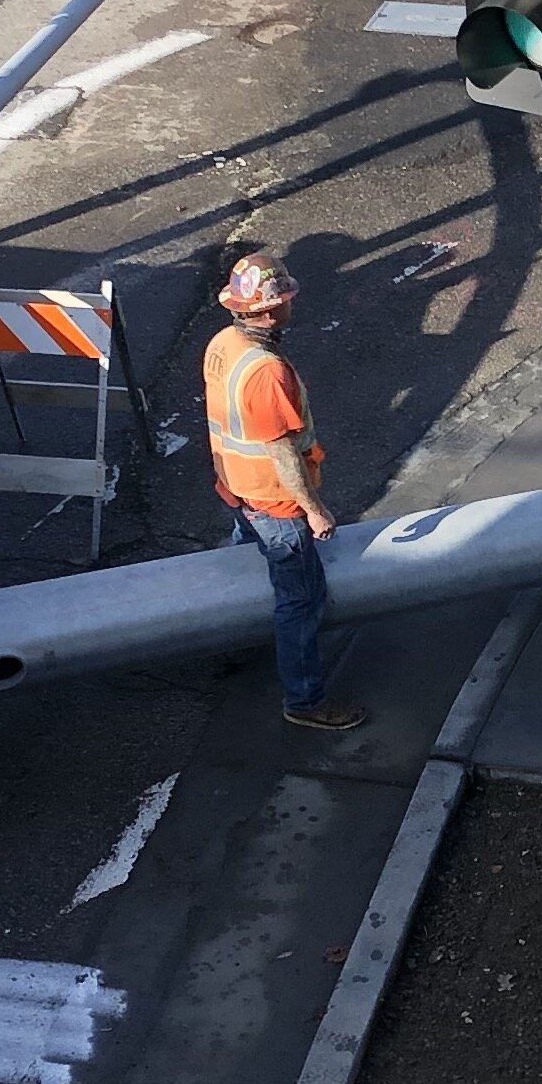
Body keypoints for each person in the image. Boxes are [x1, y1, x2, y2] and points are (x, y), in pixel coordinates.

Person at [204, 251, 365, 735]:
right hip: (276, 504)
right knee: (301, 602)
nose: (293, 305)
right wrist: (313, 511)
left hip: (238, 491)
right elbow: (282, 453)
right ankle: (306, 699)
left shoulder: (224, 343)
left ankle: (227, 644)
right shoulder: (266, 371)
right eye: (288, 298)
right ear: (271, 310)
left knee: (242, 576)